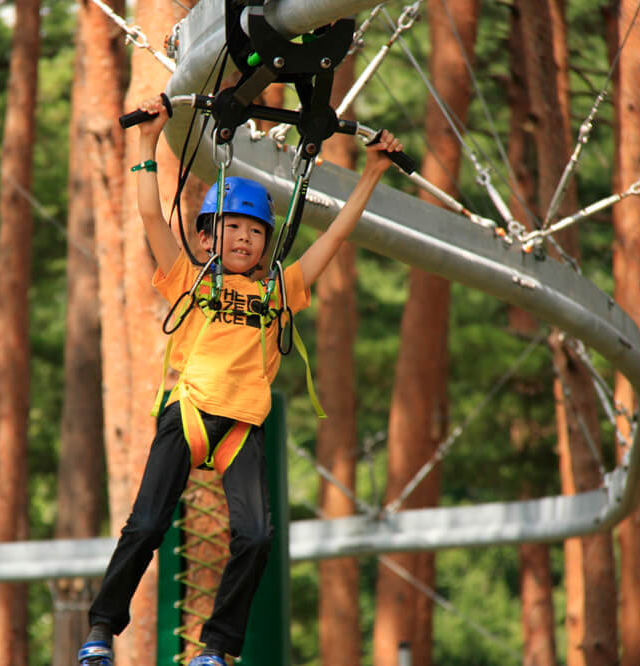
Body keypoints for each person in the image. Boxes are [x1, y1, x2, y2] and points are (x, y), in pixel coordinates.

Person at [77, 95, 403, 666]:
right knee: (147, 524)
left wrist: (372, 173)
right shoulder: (190, 279)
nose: (245, 239)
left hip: (242, 427)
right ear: (207, 237)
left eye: (255, 232)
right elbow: (151, 216)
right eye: (232, 228)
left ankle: (217, 648)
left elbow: (334, 238)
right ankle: (102, 628)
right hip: (189, 412)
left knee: (256, 537)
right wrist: (146, 142)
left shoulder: (280, 291)